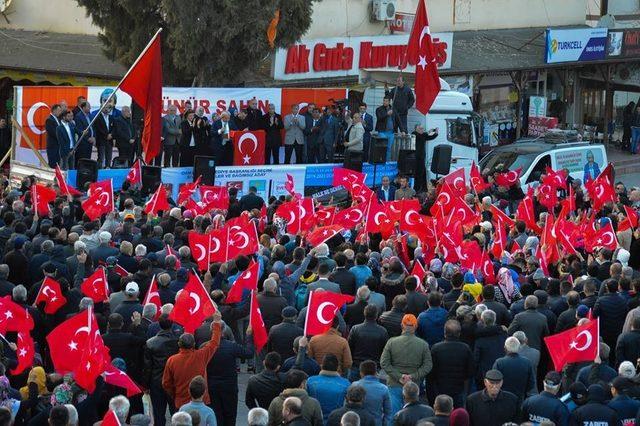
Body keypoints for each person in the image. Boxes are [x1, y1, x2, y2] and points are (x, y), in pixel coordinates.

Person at [162, 311, 222, 408]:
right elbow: (215, 342)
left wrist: (175, 394)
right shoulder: (201, 355)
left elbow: (166, 383)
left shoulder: (172, 360)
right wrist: (217, 322)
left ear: (179, 344)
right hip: (201, 402)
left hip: (180, 402)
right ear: (194, 344)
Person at [380, 314, 432, 415]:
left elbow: (384, 363)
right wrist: (413, 376)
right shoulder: (423, 344)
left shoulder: (391, 342)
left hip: (394, 383)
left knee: (392, 415)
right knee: (411, 416)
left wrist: (399, 377)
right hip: (413, 386)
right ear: (416, 326)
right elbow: (428, 365)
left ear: (402, 325)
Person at [429, 320, 474, 408]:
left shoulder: (436, 349)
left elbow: (431, 373)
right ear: (459, 334)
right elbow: (470, 372)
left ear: (445, 333)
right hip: (459, 389)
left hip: (440, 389)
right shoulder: (465, 348)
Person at [491, 337, 536, 404]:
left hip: (502, 399)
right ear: (519, 348)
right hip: (520, 398)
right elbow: (531, 383)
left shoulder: (499, 363)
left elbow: (493, 381)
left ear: (505, 348)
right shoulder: (527, 362)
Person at [306, 354, 351, 422]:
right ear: (337, 367)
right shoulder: (346, 384)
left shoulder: (310, 381)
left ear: (321, 366)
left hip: (314, 421)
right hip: (337, 421)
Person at [412, 125, 438, 192]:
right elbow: (420, 136)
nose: (421, 130)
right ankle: (417, 189)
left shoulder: (423, 135)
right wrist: (428, 132)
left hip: (422, 157)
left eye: (422, 129)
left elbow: (430, 137)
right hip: (416, 158)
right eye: (420, 128)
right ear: (416, 129)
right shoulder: (414, 134)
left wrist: (436, 133)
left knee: (423, 173)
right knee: (418, 173)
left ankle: (423, 189)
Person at [374, 97, 399, 162]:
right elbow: (379, 118)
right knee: (382, 147)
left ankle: (387, 162)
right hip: (382, 132)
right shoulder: (379, 109)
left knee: (389, 148)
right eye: (384, 101)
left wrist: (403, 130)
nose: (385, 102)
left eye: (386, 101)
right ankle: (380, 161)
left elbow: (398, 120)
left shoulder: (393, 109)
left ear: (390, 102)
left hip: (391, 133)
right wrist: (387, 114)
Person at [73, 101, 96, 166]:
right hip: (83, 143)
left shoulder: (90, 116)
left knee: (88, 160)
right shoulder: (78, 116)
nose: (90, 108)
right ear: (83, 107)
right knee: (82, 160)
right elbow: (79, 130)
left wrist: (94, 137)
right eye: (88, 106)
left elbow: (93, 128)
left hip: (90, 142)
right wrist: (88, 138)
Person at [45, 103, 63, 168]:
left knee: (57, 164)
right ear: (54, 110)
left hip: (58, 147)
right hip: (53, 146)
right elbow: (53, 133)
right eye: (59, 110)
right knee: (53, 164)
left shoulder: (58, 119)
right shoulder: (49, 120)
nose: (60, 112)